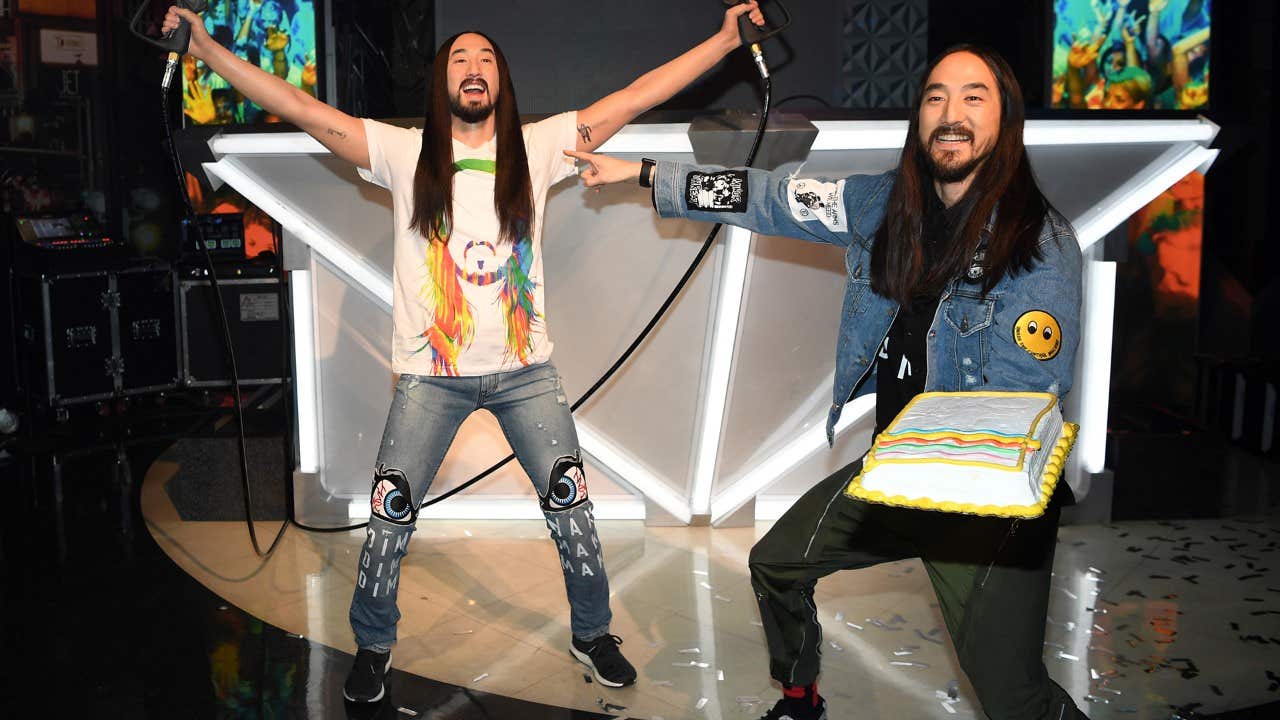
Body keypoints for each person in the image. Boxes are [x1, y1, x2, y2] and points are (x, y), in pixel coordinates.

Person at [161, 0, 766, 705]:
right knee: (390, 516)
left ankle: (593, 632)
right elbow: (297, 103)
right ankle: (374, 645)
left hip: (525, 376)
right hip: (429, 380)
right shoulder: (400, 152)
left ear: (501, 83)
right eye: (459, 59)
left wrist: (725, 41)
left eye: (486, 60)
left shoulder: (539, 147)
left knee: (572, 512)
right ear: (440, 82)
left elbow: (637, 95)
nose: (473, 69)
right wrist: (205, 49)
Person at [567, 45, 1087, 720]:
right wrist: (642, 174)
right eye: (935, 97)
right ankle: (800, 697)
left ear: (1005, 121)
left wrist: (946, 484)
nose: (950, 114)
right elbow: (771, 199)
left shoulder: (1038, 245)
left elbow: (1019, 405)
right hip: (896, 471)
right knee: (776, 563)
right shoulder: (882, 205)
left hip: (981, 503)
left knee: (1014, 698)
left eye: (972, 97)